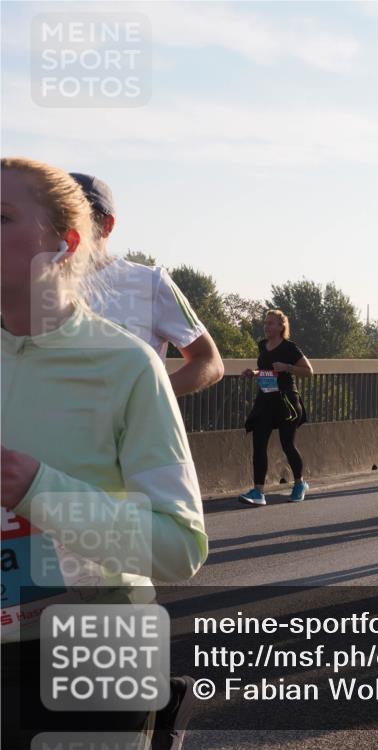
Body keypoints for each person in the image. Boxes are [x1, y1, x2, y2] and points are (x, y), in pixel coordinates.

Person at [1, 157, 207, 747]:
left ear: (64, 244)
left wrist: (40, 491)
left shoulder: (127, 366)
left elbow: (179, 548)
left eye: (1, 216)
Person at [70, 173, 224, 397]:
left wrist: (146, 398)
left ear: (107, 225)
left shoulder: (151, 282)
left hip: (130, 421)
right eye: (55, 215)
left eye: (75, 214)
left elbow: (210, 362)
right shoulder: (35, 284)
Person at [238, 310, 313, 506]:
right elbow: (266, 370)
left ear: (281, 327)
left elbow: (308, 371)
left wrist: (287, 367)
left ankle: (299, 484)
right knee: (259, 444)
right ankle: (258, 492)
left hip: (286, 402)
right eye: (266, 323)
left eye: (271, 323)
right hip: (265, 400)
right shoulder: (262, 345)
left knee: (288, 444)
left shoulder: (290, 348)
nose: (267, 326)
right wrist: (254, 373)